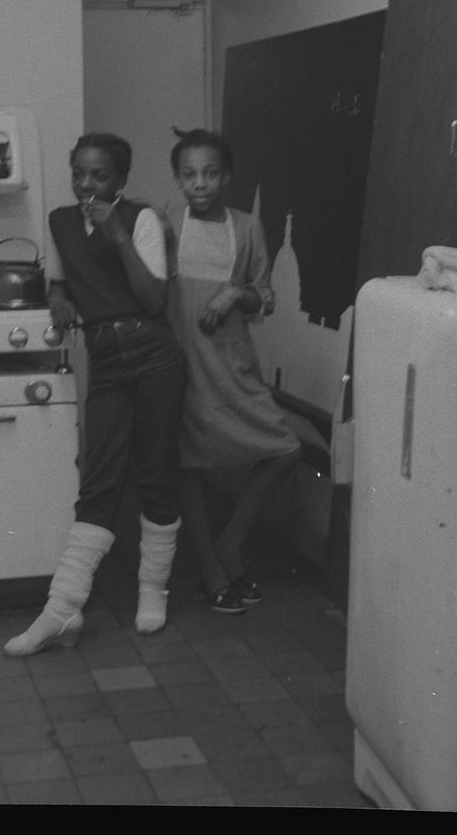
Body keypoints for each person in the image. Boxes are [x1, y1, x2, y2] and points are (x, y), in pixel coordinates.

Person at [4, 132, 186, 657]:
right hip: (106, 360)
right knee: (99, 477)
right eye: (79, 172)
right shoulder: (61, 222)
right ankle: (61, 610)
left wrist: (119, 237)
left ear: (121, 180)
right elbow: (63, 278)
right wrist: (58, 294)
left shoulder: (141, 218)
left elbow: (153, 299)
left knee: (155, 471)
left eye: (100, 175)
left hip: (153, 355)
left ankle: (153, 591)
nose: (87, 184)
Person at [162, 127, 301, 614]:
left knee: (285, 448)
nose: (200, 183)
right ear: (178, 179)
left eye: (210, 173)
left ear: (227, 176)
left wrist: (233, 294)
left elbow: (264, 296)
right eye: (189, 174)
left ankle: (229, 544)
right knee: (191, 465)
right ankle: (211, 567)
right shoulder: (165, 222)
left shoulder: (247, 227)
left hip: (232, 360)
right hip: (182, 361)